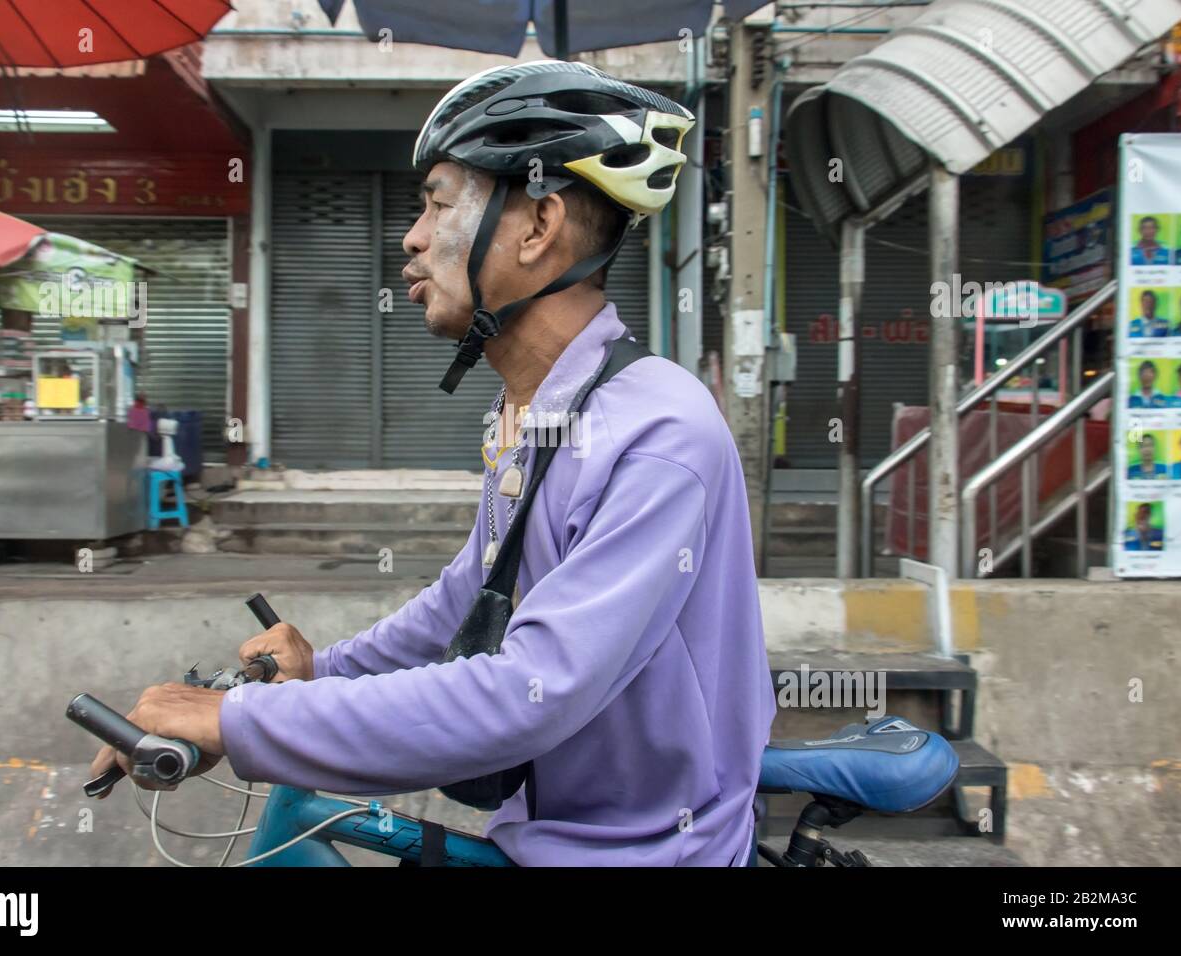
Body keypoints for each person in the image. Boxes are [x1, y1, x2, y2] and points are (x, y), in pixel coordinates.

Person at [89, 61, 776, 867]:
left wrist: (234, 724)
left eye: (438, 203)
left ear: (536, 227)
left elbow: (533, 690)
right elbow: (467, 602)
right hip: (542, 837)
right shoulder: (542, 411)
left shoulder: (658, 431)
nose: (411, 238)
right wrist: (317, 675)